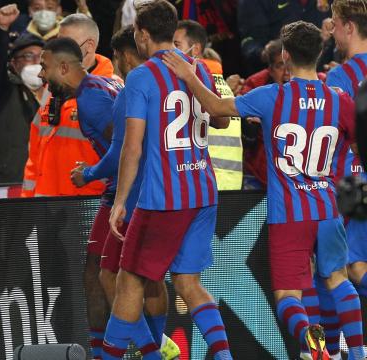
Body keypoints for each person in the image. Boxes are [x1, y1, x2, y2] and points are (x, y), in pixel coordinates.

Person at [163, 20, 366, 360]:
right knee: (338, 280)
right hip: (328, 209)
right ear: (319, 54)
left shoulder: (271, 96)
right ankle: (359, 354)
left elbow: (217, 109)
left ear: (285, 55)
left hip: (289, 214)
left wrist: (188, 75)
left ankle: (312, 344)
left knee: (288, 296)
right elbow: (357, 145)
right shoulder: (340, 99)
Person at [104, 1, 232, 359]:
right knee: (189, 283)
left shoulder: (141, 76)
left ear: (143, 35)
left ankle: (110, 356)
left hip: (164, 198)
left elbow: (133, 147)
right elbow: (222, 121)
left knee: (128, 280)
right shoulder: (199, 68)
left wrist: (119, 201)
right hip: (204, 191)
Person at [48, 27, 180, 359]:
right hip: (133, 190)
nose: (41, 74)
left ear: (63, 68)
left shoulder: (90, 97)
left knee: (109, 276)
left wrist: (88, 174)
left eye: (45, 66)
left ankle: (152, 350)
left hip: (129, 192)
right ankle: (148, 347)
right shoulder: (106, 84)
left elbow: (124, 148)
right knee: (114, 274)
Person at [21, 13, 116, 197]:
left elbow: (123, 153)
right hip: (45, 207)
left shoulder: (109, 91)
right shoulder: (52, 87)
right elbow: (36, 148)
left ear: (89, 46)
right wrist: (27, 201)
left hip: (87, 208)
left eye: (67, 44)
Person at [320, 1, 367, 358]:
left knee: (345, 268)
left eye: (334, 25)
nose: (330, 30)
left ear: (349, 27)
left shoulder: (340, 78)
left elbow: (337, 143)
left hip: (354, 183)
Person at [173, 19, 243, 191]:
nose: (171, 51)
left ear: (195, 49)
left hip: (208, 180)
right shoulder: (221, 83)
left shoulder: (195, 84)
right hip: (230, 182)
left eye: (176, 44)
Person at [0, 4, 45, 183]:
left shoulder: (56, 96)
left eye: (40, 56)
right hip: (9, 183)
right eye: (28, 56)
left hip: (45, 183)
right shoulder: (3, 92)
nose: (36, 61)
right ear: (14, 64)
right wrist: (2, 29)